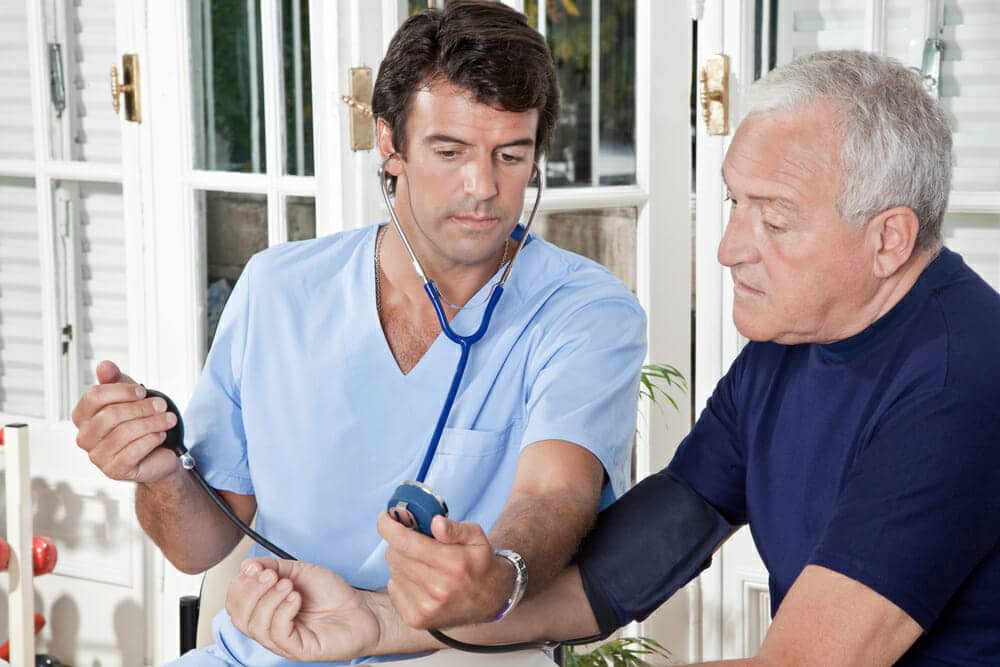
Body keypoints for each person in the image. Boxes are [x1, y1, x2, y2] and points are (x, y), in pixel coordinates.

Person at [224, 50, 1000, 666]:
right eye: (734, 205)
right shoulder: (790, 345)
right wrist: (375, 620)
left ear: (889, 238)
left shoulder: (958, 382)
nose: (730, 250)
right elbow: (613, 579)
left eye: (775, 220)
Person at [70, 2, 646, 665]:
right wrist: (159, 472)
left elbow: (555, 493)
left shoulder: (584, 311)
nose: (483, 187)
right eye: (449, 150)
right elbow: (197, 544)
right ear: (389, 143)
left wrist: (498, 568)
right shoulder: (277, 290)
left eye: (510, 155)